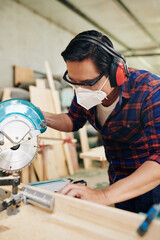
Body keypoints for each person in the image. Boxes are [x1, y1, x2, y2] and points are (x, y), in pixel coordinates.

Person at [42, 30, 160, 213]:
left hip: (151, 182)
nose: (80, 90)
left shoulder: (150, 91)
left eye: (87, 83)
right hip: (117, 178)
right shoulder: (85, 89)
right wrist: (40, 116)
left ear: (116, 73)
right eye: (74, 82)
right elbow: (72, 120)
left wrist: (102, 195)